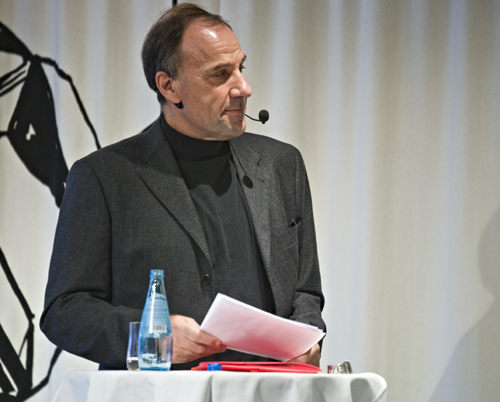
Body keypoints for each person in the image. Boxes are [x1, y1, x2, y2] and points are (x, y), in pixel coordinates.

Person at [40, 3, 325, 370]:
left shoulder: (282, 164)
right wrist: (151, 336)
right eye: (220, 74)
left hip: (270, 387)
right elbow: (65, 311)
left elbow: (305, 291)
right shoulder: (104, 177)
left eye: (240, 68)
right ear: (169, 86)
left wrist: (308, 337)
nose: (244, 87)